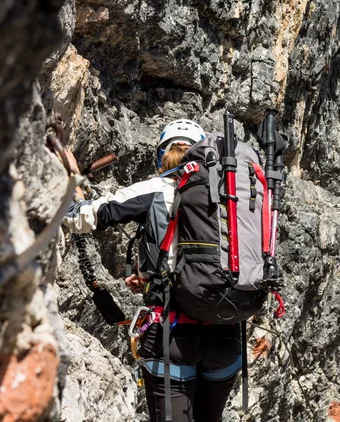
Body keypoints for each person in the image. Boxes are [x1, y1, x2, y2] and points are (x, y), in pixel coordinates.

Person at [62, 119, 241, 422]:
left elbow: (85, 218)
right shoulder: (230, 197)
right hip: (226, 334)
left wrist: (71, 192)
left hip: (172, 335)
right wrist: (150, 276)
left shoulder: (157, 188)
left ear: (162, 155)